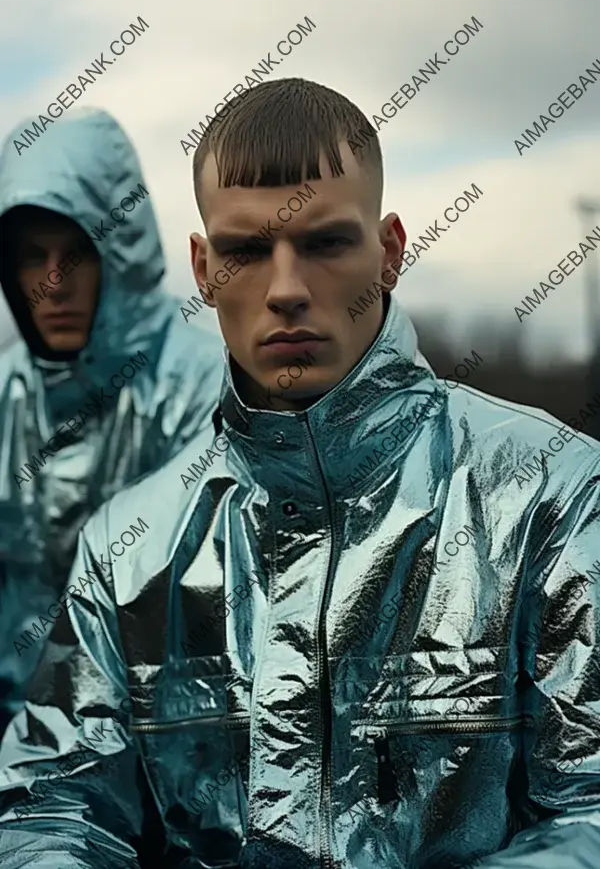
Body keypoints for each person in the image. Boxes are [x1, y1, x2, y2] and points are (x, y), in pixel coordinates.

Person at [0, 78, 599, 869]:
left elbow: (588, 807)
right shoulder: (127, 549)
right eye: (247, 252)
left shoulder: (549, 494)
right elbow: (53, 808)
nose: (285, 290)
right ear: (204, 268)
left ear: (389, 251)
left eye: (324, 243)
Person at [0, 107, 224, 736]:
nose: (53, 284)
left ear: (119, 252)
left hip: (173, 751)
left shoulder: (207, 385)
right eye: (30, 258)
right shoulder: (8, 394)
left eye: (76, 256)